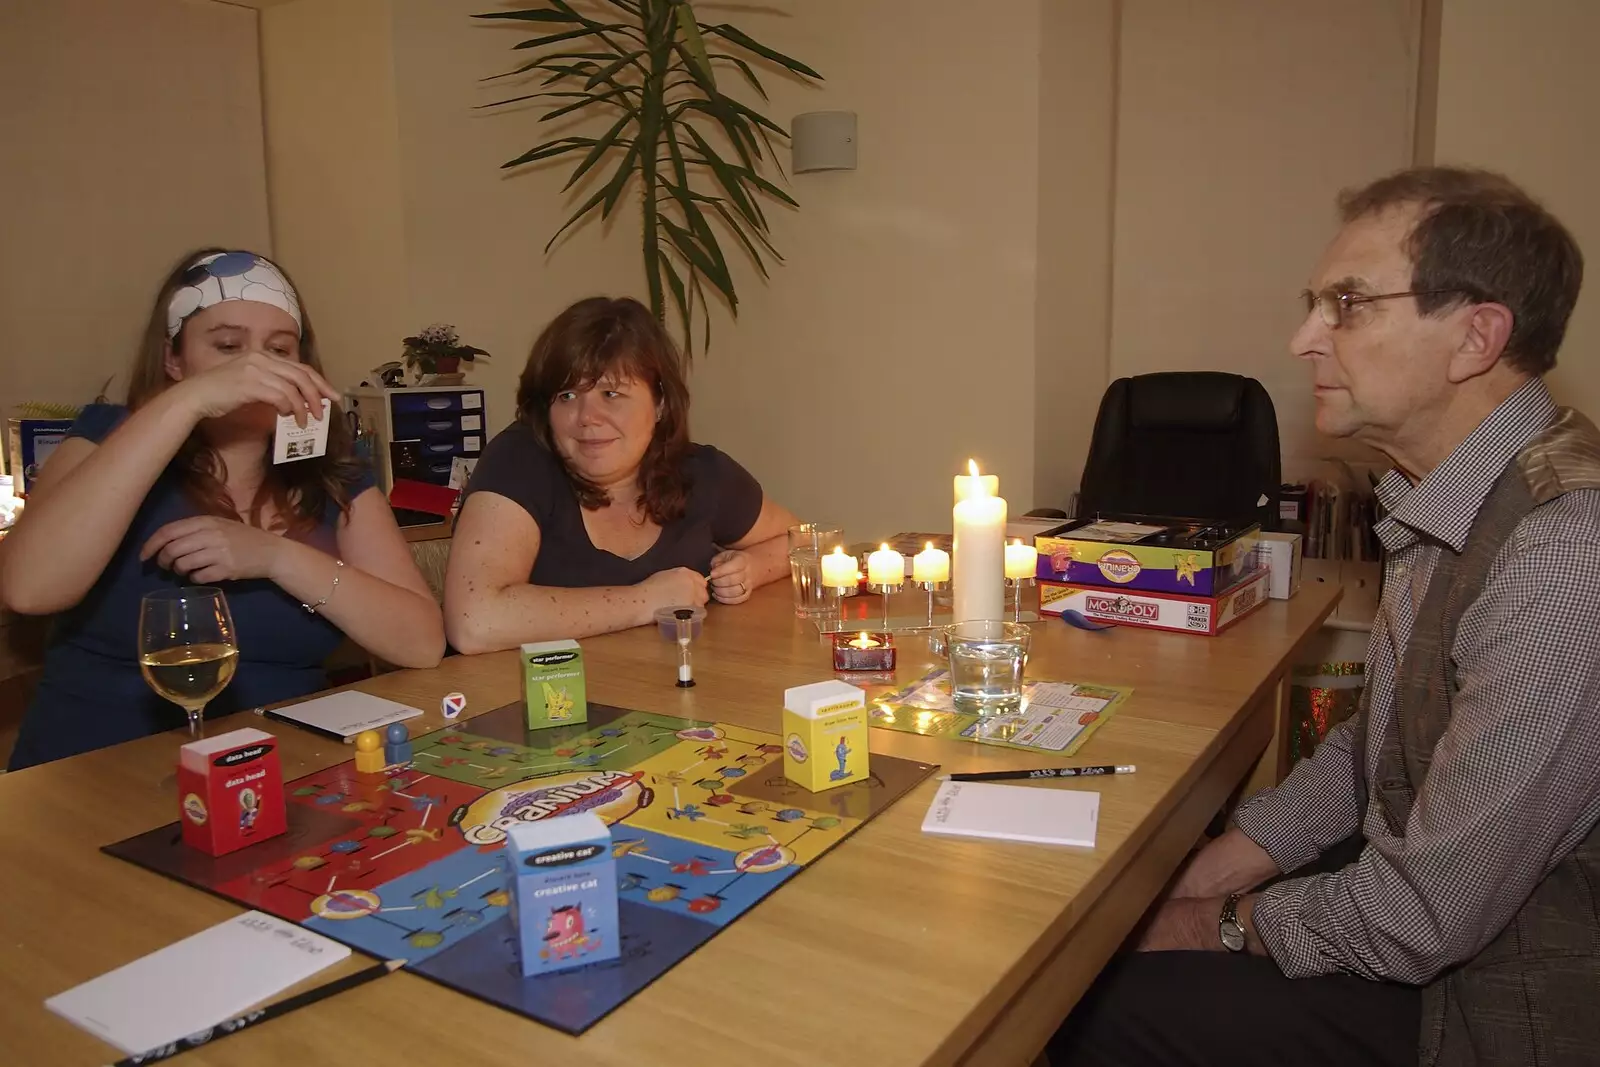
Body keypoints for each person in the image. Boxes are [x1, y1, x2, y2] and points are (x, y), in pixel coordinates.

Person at [1050, 167, 1600, 1067]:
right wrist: (1213, 865)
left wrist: (1205, 923)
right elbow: (1371, 747)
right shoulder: (1448, 498)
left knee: (1093, 1007)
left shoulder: (1564, 549)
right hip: (1431, 938)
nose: (1304, 337)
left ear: (1476, 335)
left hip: (1488, 1011)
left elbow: (1424, 918)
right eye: (1315, 302)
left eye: (1348, 303)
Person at [1, 249, 445, 770]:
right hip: (97, 773)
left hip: (278, 773)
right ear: (174, 359)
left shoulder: (331, 473)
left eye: (279, 348)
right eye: (228, 346)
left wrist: (276, 558)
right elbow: (30, 588)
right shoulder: (109, 437)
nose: (256, 366)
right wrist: (186, 403)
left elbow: (421, 643)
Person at [444, 296, 797, 652]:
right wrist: (645, 600)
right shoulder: (518, 461)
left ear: (660, 403)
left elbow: (801, 541)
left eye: (611, 393)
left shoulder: (699, 471)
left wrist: (752, 567)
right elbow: (474, 622)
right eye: (566, 395)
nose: (587, 417)